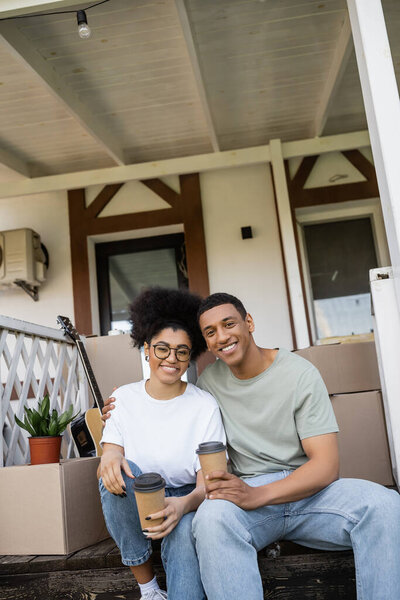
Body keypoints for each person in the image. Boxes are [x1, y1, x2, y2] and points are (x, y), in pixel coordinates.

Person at [103, 291, 400, 600]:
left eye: (229, 324)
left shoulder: (300, 373)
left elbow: (326, 466)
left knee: (386, 506)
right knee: (211, 519)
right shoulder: (208, 386)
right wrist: (122, 405)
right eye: (210, 332)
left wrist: (258, 495)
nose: (222, 336)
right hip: (245, 501)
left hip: (310, 493)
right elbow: (171, 405)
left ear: (249, 322)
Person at [99, 287, 225, 600]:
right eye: (162, 349)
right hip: (138, 500)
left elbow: (206, 484)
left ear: (191, 355)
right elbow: (111, 450)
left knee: (183, 539)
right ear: (146, 348)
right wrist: (109, 458)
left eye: (182, 351)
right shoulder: (124, 399)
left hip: (187, 498)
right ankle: (149, 590)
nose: (171, 358)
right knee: (115, 472)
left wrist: (182, 505)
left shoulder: (204, 405)